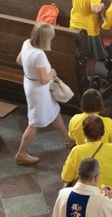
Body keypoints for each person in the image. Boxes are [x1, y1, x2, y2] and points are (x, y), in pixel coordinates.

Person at [15, 23, 73, 166]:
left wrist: (30, 70)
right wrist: (52, 73)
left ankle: (67, 139)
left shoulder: (27, 43)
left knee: (54, 110)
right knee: (34, 122)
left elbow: (19, 60)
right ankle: (21, 154)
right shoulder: (39, 54)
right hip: (38, 91)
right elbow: (43, 80)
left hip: (30, 83)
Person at [61, 116, 112, 200]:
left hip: (88, 199)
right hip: (111, 197)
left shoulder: (77, 151)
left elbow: (66, 177)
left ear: (84, 133)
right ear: (102, 133)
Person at [70, 0, 109, 77]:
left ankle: (77, 78)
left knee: (78, 56)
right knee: (91, 57)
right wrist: (101, 5)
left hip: (74, 24)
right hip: (88, 29)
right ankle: (89, 79)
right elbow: (94, 9)